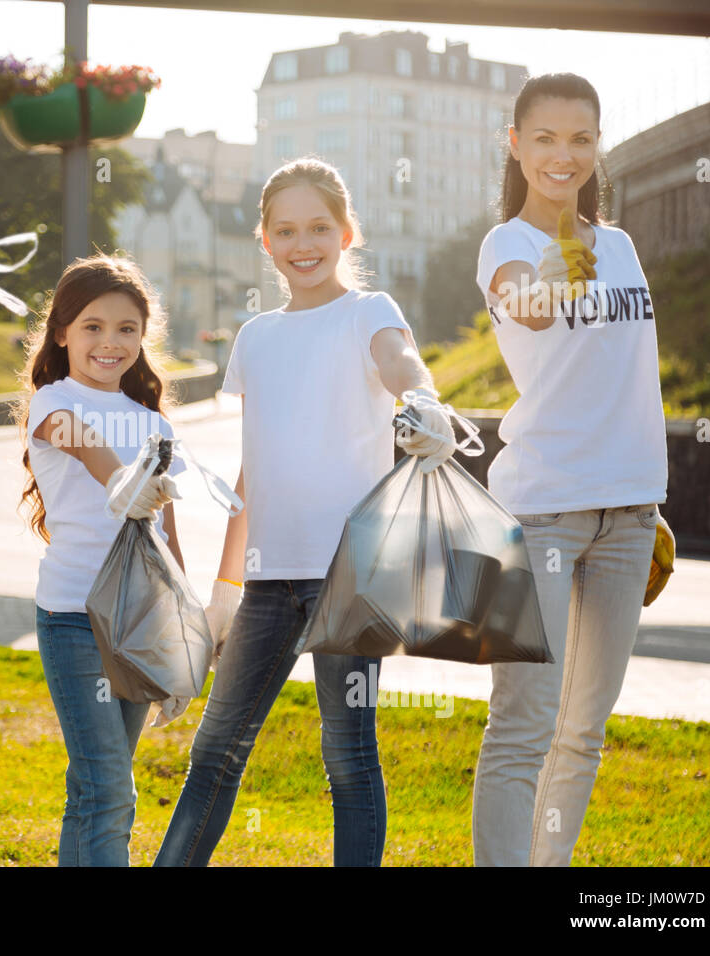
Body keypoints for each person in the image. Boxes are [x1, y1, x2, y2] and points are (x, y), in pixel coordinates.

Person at [154, 157, 456, 867]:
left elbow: (401, 364)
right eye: (286, 230)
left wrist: (425, 401)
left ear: (347, 232)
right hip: (266, 584)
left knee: (348, 754)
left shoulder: (369, 313)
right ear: (264, 241)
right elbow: (253, 473)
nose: (304, 243)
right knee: (215, 748)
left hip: (352, 578)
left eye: (319, 227)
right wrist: (222, 597)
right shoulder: (256, 338)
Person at [472, 72, 668, 867]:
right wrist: (554, 269)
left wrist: (646, 496)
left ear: (597, 146)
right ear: (516, 145)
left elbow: (628, 376)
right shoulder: (507, 247)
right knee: (525, 723)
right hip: (544, 510)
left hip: (628, 514)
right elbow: (526, 303)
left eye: (581, 138)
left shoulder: (617, 246)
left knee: (584, 730)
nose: (564, 154)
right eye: (545, 138)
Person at [17, 254, 184, 866]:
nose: (109, 342)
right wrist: (123, 484)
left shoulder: (154, 424)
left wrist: (180, 641)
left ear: (143, 337)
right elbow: (80, 443)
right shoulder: (52, 404)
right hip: (73, 620)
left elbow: (168, 536)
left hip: (139, 623)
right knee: (112, 789)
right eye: (92, 326)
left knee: (91, 788)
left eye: (126, 329)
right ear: (61, 332)